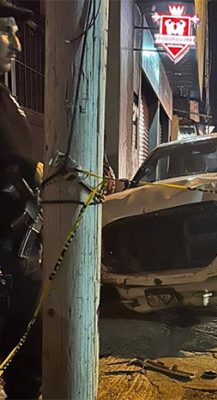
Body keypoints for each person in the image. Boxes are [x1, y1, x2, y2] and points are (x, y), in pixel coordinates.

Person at [0, 1, 42, 398]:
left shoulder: (7, 99)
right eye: (5, 32)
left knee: (26, 367)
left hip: (22, 256)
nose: (17, 44)